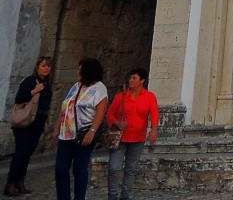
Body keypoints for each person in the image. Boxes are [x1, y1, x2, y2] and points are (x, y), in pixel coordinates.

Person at [53, 58, 108, 200]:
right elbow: (65, 107)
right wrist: (57, 127)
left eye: (80, 69)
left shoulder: (99, 89)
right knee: (61, 168)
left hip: (83, 134)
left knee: (79, 168)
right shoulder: (76, 86)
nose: (78, 71)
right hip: (66, 134)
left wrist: (92, 131)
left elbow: (101, 112)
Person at [105, 68, 158, 200]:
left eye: (134, 78)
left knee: (131, 169)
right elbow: (109, 114)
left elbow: (154, 114)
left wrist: (154, 130)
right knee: (114, 168)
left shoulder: (149, 97)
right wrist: (116, 123)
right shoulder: (120, 97)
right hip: (120, 137)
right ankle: (112, 196)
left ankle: (125, 196)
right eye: (130, 78)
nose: (131, 80)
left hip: (138, 138)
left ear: (142, 81)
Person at [4, 56, 53, 196]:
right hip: (25, 122)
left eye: (48, 66)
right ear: (37, 67)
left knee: (27, 153)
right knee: (21, 152)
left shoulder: (46, 84)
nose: (46, 68)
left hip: (37, 123)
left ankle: (20, 181)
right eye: (44, 66)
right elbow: (19, 98)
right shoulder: (30, 81)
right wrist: (34, 91)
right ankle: (10, 183)